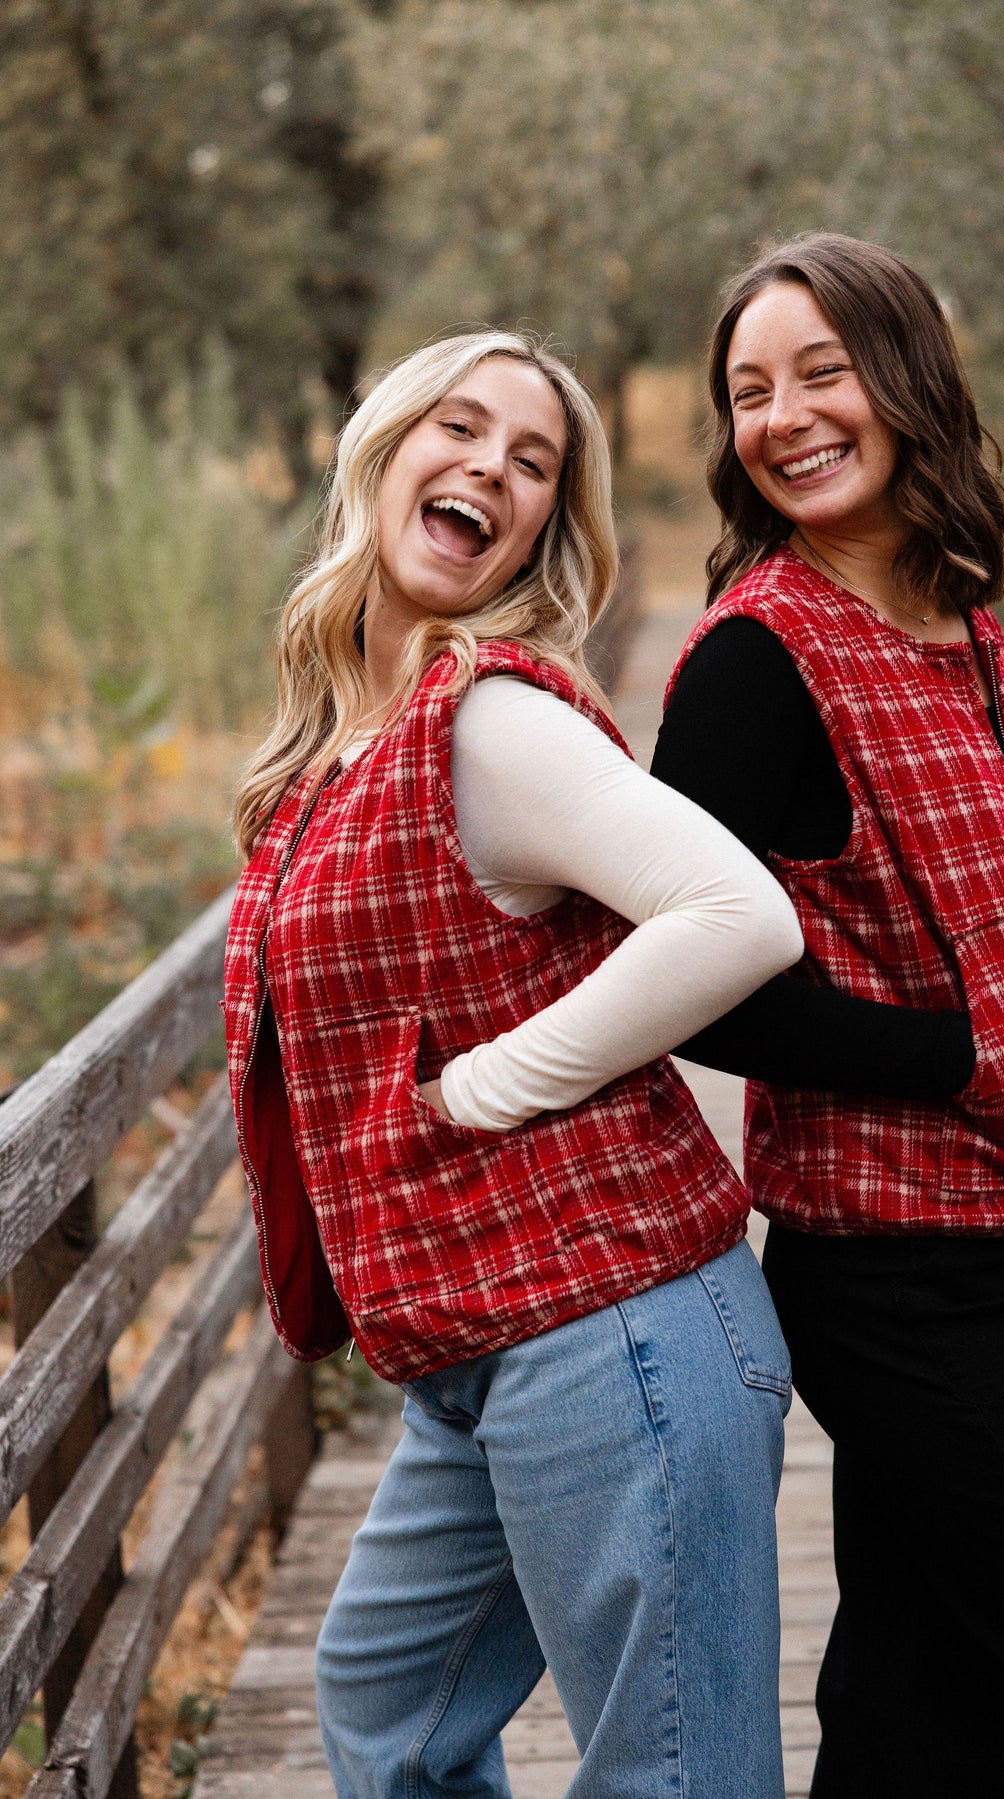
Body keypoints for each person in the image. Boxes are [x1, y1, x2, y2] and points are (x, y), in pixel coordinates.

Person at [223, 329, 814, 1799]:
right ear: (383, 454)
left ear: (543, 527)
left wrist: (494, 1084)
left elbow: (742, 915)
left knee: (666, 1779)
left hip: (616, 1331)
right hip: (476, 1349)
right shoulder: (343, 750)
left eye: (533, 459)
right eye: (460, 428)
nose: (491, 464)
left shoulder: (486, 722)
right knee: (383, 1712)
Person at [652, 232, 1004, 1798]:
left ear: (906, 381)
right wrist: (948, 1053)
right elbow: (685, 976)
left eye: (820, 371)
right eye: (750, 390)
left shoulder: (959, 617)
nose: (785, 414)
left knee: (925, 1719)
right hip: (899, 1277)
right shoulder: (762, 658)